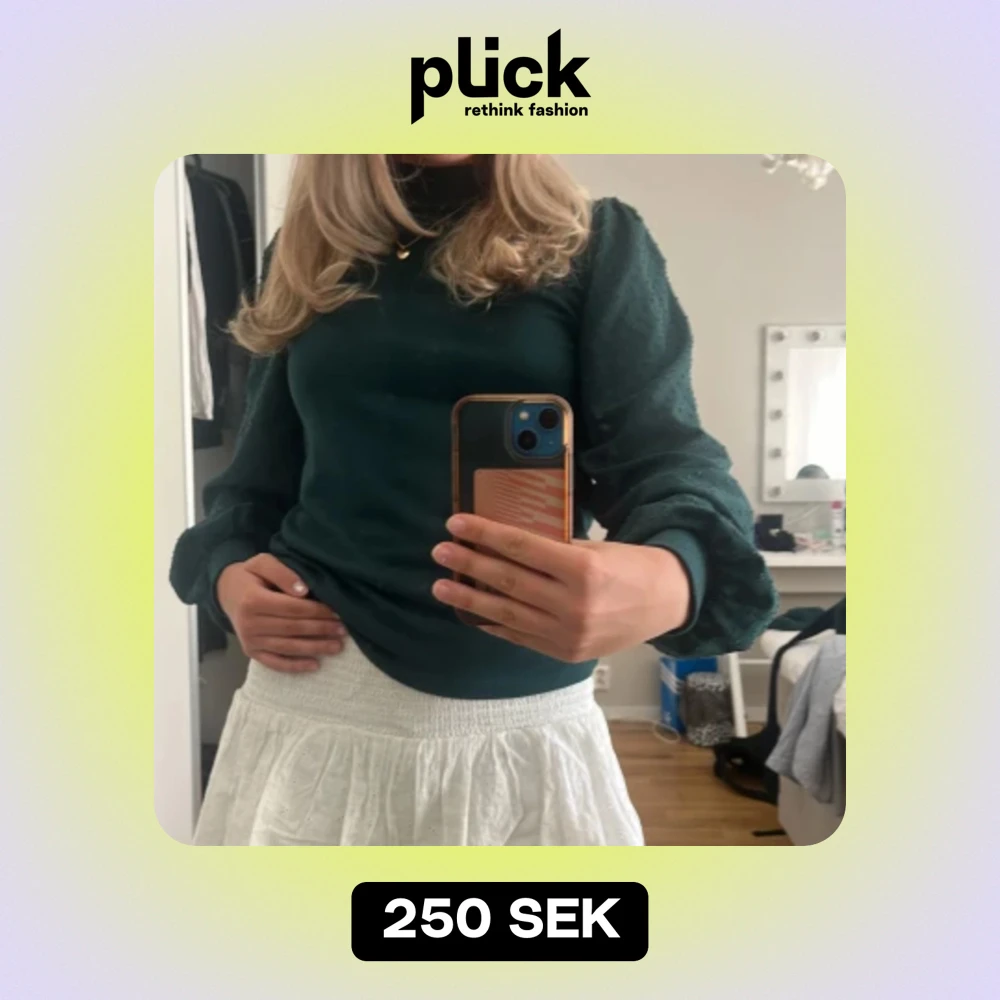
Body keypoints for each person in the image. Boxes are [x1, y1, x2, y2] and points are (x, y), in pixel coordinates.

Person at [169, 154, 778, 846]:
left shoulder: (592, 240)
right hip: (313, 696)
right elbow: (255, 484)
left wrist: (677, 574)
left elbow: (666, 455)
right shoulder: (306, 251)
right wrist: (228, 576)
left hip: (520, 721)